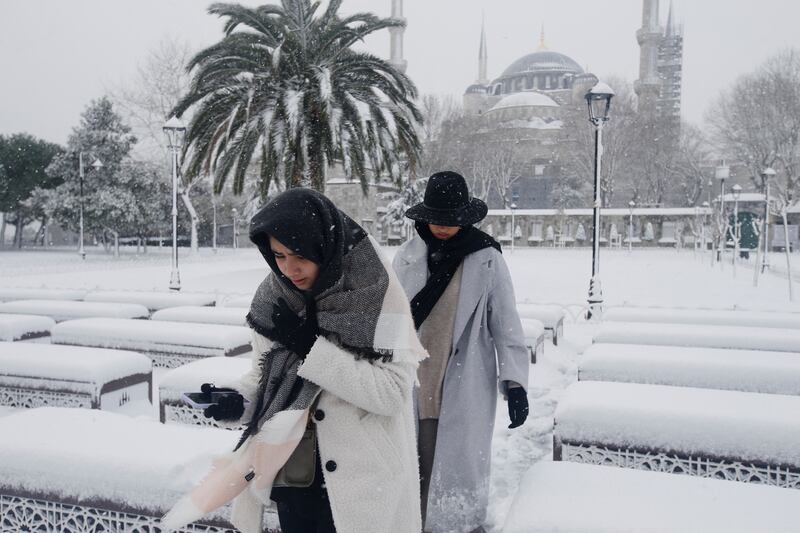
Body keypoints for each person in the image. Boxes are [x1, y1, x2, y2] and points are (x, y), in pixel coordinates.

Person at [162, 188, 426, 533]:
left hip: (363, 481)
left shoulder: (377, 295)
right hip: (293, 475)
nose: (290, 268)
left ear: (324, 246)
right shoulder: (275, 300)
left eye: (299, 254)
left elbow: (391, 394)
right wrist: (237, 403)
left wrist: (311, 348)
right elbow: (266, 380)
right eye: (278, 256)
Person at [392, 171, 530, 533]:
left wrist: (515, 383)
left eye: (449, 220)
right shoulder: (406, 258)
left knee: (454, 470)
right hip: (414, 381)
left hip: (464, 380)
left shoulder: (487, 258)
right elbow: (389, 320)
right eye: (435, 219)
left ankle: (456, 527)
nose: (441, 227)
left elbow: (506, 323)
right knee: (412, 467)